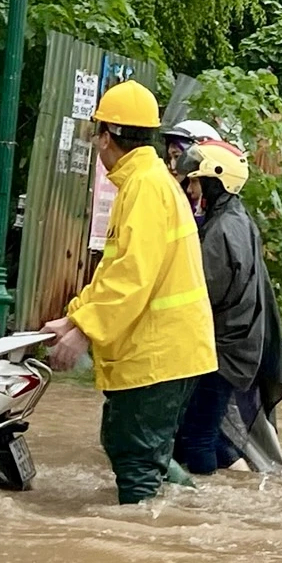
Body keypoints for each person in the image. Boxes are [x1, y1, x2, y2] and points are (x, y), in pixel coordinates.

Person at [44, 80, 218, 504]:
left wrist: (84, 328)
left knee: (135, 453)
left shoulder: (143, 187)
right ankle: (194, 511)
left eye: (96, 135)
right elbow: (117, 269)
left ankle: (140, 544)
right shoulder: (149, 180)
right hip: (168, 351)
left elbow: (131, 275)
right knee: (141, 449)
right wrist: (74, 314)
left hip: (157, 353)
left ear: (107, 136)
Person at [168, 135, 282, 475]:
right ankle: (242, 482)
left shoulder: (223, 231)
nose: (190, 190)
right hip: (234, 348)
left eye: (195, 182)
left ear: (214, 181)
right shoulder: (235, 219)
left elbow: (201, 295)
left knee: (198, 437)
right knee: (201, 430)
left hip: (224, 352)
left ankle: (203, 507)